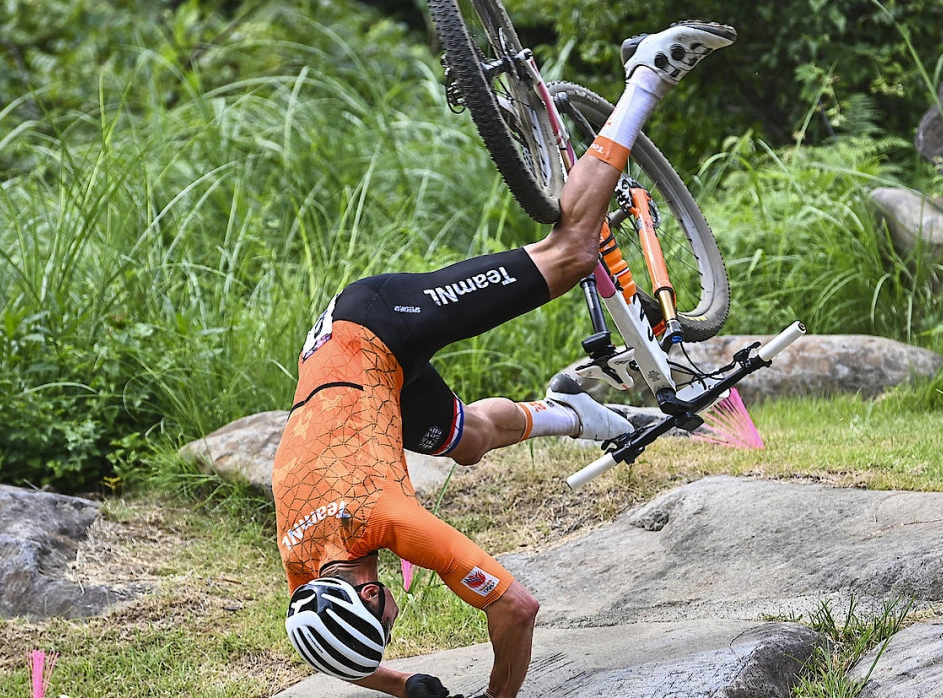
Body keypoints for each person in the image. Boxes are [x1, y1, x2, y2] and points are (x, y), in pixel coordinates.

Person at [273, 20, 736, 698]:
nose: (396, 626)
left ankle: (647, 74)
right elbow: (329, 648)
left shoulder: (386, 521)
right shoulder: (304, 568)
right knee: (467, 441)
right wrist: (407, 687)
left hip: (374, 324)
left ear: (371, 597)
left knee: (573, 249)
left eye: (387, 625)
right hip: (358, 383)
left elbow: (516, 608)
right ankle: (574, 413)